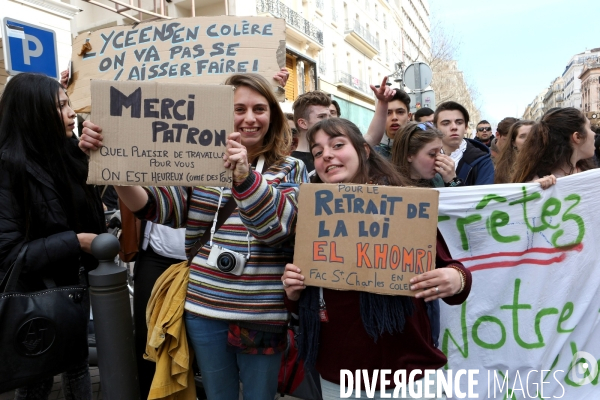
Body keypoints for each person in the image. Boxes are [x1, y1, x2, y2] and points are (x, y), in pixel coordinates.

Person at [80, 73, 307, 400]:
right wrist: (111, 165)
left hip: (260, 314)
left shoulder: (290, 168)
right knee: (217, 395)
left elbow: (277, 229)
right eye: (238, 108)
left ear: (272, 115)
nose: (249, 118)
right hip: (203, 310)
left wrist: (244, 176)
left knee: (259, 395)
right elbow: (157, 207)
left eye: (259, 109)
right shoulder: (200, 159)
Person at [281, 118, 472, 399]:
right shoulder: (310, 216)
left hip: (407, 375)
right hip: (339, 376)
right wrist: (292, 291)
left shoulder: (403, 207)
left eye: (337, 145)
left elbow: (455, 272)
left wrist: (455, 279)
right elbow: (300, 303)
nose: (327, 155)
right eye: (318, 152)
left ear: (364, 152)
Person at [0, 73, 106, 399]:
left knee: (76, 367)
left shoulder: (68, 153)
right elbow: (9, 252)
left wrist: (94, 157)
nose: (72, 112)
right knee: (36, 378)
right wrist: (76, 242)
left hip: (73, 287)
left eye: (69, 102)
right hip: (34, 298)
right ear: (33, 112)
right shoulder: (8, 166)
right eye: (61, 105)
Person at [511, 107, 595, 189]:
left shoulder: (589, 171)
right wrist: (533, 192)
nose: (594, 134)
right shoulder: (538, 182)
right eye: (590, 128)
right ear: (577, 137)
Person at [434, 101, 494, 186]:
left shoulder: (483, 161)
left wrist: (453, 181)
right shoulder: (427, 157)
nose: (454, 127)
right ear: (436, 128)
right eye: (446, 123)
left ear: (466, 127)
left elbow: (483, 198)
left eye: (459, 122)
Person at [391, 122, 462, 188]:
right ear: (409, 155)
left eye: (440, 151)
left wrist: (452, 181)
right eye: (432, 154)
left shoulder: (438, 179)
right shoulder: (387, 186)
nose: (439, 159)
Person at [368, 81, 413, 160]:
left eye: (400, 112)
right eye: (388, 113)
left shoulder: (419, 146)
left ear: (409, 116)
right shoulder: (372, 151)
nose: (394, 117)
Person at [291, 90, 333, 172]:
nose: (329, 122)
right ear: (303, 123)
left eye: (330, 117)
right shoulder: (291, 166)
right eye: (321, 117)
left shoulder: (335, 155)